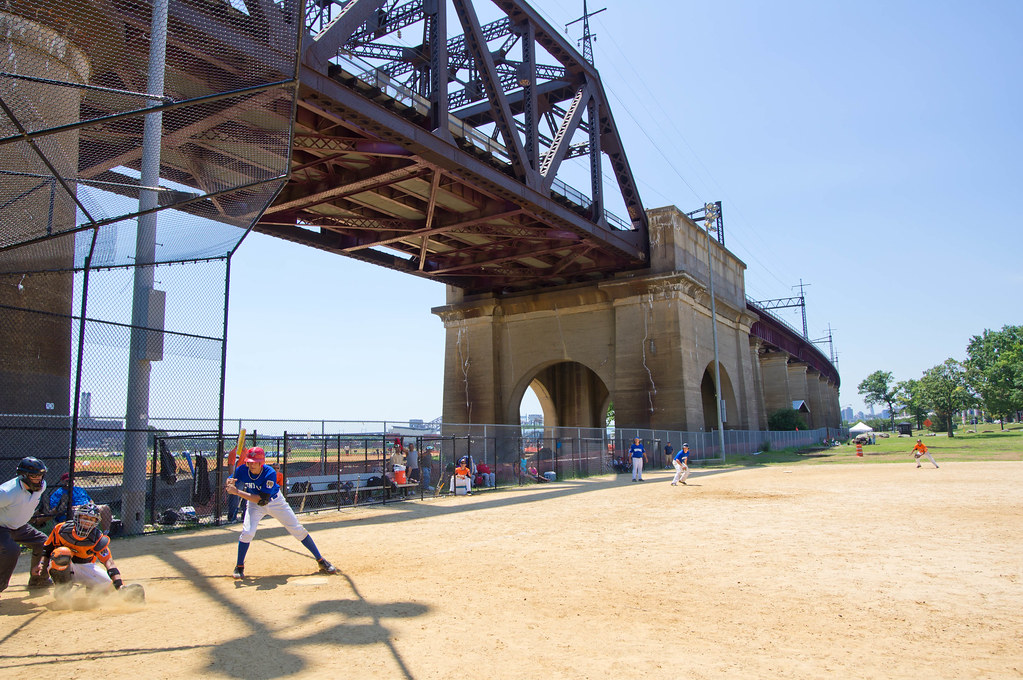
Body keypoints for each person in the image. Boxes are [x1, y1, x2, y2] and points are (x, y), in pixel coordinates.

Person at [226, 447, 337, 579]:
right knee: (247, 533)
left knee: (298, 530)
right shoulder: (242, 470)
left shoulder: (270, 473)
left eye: (254, 462)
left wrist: (237, 492)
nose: (251, 465)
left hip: (274, 502)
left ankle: (321, 560)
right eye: (249, 462)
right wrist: (229, 481)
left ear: (261, 462)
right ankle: (239, 566)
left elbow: (262, 500)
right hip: (253, 505)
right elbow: (232, 479)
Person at [34, 502, 142, 601]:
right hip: (64, 565)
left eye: (91, 519)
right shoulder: (61, 529)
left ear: (96, 522)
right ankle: (62, 589)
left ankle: (92, 590)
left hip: (86, 565)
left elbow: (109, 563)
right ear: (77, 518)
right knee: (62, 553)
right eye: (84, 517)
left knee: (108, 587)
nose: (87, 522)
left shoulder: (97, 538)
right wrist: (41, 564)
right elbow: (47, 550)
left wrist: (120, 586)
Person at [1, 457, 53, 597]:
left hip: (20, 526)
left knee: (44, 543)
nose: (38, 479)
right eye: (34, 476)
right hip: (2, 527)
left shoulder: (41, 486)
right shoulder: (7, 492)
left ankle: (38, 580)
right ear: (23, 476)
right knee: (11, 550)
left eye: (40, 475)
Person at [47, 473, 113, 534]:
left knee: (104, 508)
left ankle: (106, 533)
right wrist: (71, 507)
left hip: (88, 508)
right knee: (76, 511)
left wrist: (92, 506)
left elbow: (90, 500)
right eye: (67, 481)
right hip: (73, 511)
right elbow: (56, 509)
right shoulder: (58, 493)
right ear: (62, 481)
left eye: (71, 481)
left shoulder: (79, 489)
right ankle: (79, 534)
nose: (70, 483)